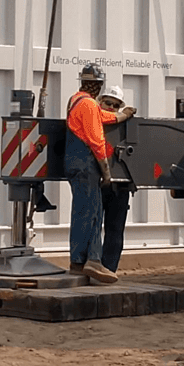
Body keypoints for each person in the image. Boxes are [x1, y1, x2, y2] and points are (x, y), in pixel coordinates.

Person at [64, 64, 134, 283]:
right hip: (86, 165)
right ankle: (93, 260)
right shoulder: (88, 105)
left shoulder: (75, 100)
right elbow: (97, 141)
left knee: (81, 211)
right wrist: (106, 172)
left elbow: (101, 117)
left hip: (73, 163)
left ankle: (78, 261)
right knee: (92, 212)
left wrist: (120, 117)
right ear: (98, 86)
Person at [98, 84, 136, 274]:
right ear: (100, 102)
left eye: (115, 105)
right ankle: (94, 266)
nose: (111, 108)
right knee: (93, 227)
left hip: (119, 186)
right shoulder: (95, 118)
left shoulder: (127, 126)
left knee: (114, 230)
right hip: (98, 183)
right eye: (108, 103)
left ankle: (108, 269)